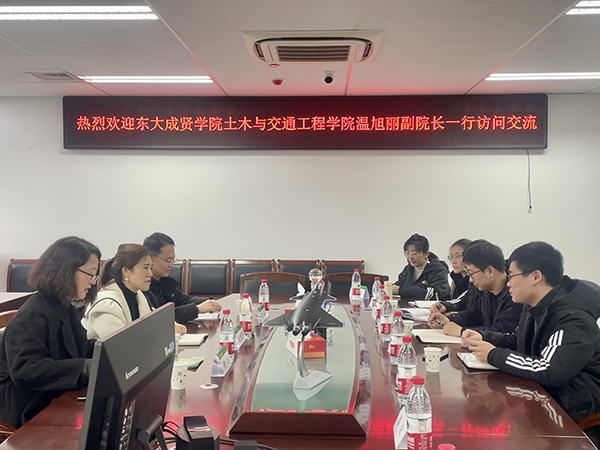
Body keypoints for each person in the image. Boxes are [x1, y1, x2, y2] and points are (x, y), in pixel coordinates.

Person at [463, 241, 600, 446]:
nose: (508, 283)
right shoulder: (534, 306)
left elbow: (550, 370)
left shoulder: (573, 319)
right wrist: (482, 337)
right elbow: (516, 340)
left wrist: (493, 355)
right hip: (541, 397)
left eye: (512, 276)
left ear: (536, 277)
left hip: (574, 412)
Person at [0, 237, 101, 428]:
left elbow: (75, 345)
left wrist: (105, 348)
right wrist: (83, 368)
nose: (92, 282)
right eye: (90, 274)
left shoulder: (65, 306)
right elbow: (25, 370)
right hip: (29, 410)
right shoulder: (32, 316)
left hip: (54, 397)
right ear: (66, 270)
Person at [82, 243, 186, 340]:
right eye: (145, 268)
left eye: (151, 268)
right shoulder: (106, 304)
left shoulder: (138, 294)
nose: (150, 273)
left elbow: (154, 320)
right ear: (126, 271)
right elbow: (121, 345)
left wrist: (172, 325)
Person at [428, 239, 522, 337]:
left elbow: (501, 331)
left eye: (471, 273)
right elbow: (472, 315)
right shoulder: (488, 292)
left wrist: (462, 331)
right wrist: (447, 321)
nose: (471, 280)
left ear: (490, 271)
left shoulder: (515, 296)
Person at [143, 232, 221, 324]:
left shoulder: (165, 281)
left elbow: (184, 301)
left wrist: (209, 302)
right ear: (151, 258)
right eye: (168, 260)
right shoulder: (144, 286)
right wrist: (197, 309)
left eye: (173, 260)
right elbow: (161, 317)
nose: (171, 265)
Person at [392, 233, 450, 300]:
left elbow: (435, 294)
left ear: (426, 254)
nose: (410, 257)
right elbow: (399, 285)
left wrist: (401, 290)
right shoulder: (408, 269)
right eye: (407, 253)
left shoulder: (438, 270)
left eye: (415, 254)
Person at [430, 238, 478, 315]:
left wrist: (454, 315)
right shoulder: (456, 278)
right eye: (451, 257)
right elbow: (457, 302)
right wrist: (444, 306)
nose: (453, 261)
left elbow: (472, 311)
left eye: (458, 256)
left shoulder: (476, 282)